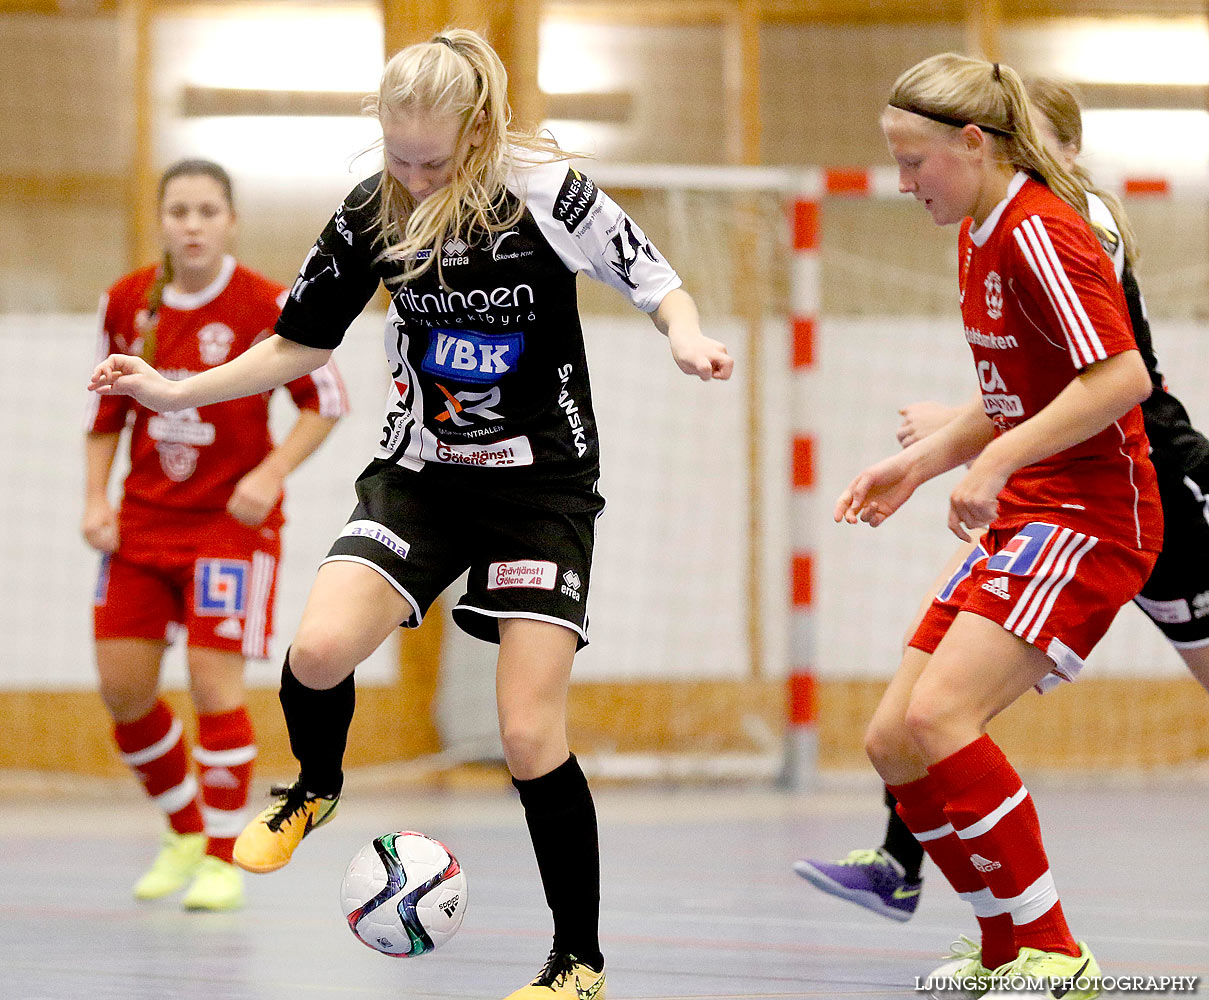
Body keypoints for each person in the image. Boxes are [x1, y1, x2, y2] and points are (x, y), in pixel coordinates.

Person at [89, 29, 732, 999]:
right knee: (313, 653)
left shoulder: (547, 195)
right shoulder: (370, 212)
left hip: (539, 489)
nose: (415, 177)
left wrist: (686, 337)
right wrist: (176, 392)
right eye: (398, 155)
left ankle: (578, 961)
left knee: (527, 733)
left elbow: (655, 280)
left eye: (435, 160)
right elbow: (294, 346)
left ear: (478, 134)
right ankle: (314, 785)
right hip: (420, 475)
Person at [795, 77, 1209, 933]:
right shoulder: (978, 234)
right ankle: (990, 936)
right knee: (895, 735)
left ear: (980, 143)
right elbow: (1021, 391)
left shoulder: (1048, 230)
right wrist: (927, 461)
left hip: (1111, 499)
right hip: (1035, 498)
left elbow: (1119, 377)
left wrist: (993, 458)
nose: (902, 183)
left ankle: (1045, 948)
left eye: (913, 162)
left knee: (939, 713)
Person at [84, 158, 347, 912]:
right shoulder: (128, 301)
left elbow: (324, 399)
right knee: (122, 689)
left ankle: (226, 854)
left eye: (206, 211)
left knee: (211, 684)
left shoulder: (266, 303)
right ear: (161, 220)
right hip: (140, 525)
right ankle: (185, 834)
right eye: (178, 212)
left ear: (230, 220)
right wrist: (93, 501)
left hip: (228, 532)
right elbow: (104, 414)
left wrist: (269, 475)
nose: (191, 224)